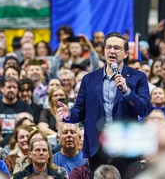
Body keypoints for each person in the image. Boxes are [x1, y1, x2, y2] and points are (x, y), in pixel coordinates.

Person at [57, 32, 151, 177]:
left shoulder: (138, 77)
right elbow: (80, 110)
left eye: (116, 48)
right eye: (108, 47)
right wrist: (69, 114)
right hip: (98, 148)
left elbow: (144, 110)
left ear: (126, 53)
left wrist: (127, 91)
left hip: (126, 149)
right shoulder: (89, 79)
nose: (112, 51)